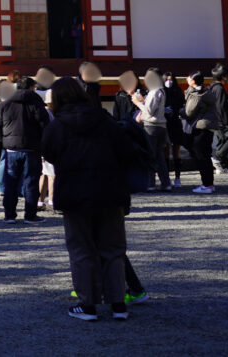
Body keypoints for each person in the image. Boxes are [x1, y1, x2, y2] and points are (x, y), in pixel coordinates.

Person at [42, 77, 132, 322]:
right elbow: (126, 151)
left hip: (74, 192)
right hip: (109, 190)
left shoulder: (57, 126)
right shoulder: (105, 120)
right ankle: (118, 304)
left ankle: (88, 304)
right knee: (113, 249)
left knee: (81, 249)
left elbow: (48, 154)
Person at [0, 76, 49, 223]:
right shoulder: (36, 103)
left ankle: (9, 215)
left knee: (10, 182)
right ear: (32, 87)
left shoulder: (5, 104)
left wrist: (2, 143)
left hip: (11, 149)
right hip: (32, 148)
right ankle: (30, 215)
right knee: (31, 182)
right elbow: (45, 125)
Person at [132, 70, 171, 191]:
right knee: (159, 156)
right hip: (161, 126)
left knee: (150, 155)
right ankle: (166, 183)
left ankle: (150, 184)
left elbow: (149, 111)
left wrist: (138, 103)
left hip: (151, 126)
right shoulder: (161, 90)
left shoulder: (154, 91)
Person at [183, 73, 220, 194]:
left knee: (200, 155)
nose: (187, 79)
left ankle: (206, 184)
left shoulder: (197, 95)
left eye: (189, 77)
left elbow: (188, 112)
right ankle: (209, 183)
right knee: (206, 154)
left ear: (193, 81)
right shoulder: (206, 92)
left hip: (200, 126)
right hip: (209, 127)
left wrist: (180, 111)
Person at [209, 65, 228, 175]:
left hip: (214, 120)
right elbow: (221, 106)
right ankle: (216, 158)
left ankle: (223, 167)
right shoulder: (219, 88)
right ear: (223, 77)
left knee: (221, 142)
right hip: (221, 121)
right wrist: (226, 122)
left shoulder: (212, 87)